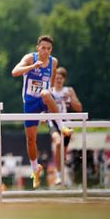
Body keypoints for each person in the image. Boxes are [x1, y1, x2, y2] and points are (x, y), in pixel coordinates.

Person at [11, 35, 71, 189]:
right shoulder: (30, 58)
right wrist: (32, 67)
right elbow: (14, 72)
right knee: (31, 140)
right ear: (38, 47)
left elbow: (50, 82)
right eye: (43, 48)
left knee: (45, 93)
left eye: (49, 49)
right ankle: (35, 170)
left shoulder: (53, 62)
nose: (45, 51)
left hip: (43, 99)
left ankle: (61, 125)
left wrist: (48, 100)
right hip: (30, 103)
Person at [50, 66, 82, 186]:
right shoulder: (49, 91)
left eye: (60, 78)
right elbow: (43, 106)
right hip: (52, 122)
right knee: (57, 143)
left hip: (66, 123)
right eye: (56, 78)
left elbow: (79, 108)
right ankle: (58, 175)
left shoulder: (68, 90)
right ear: (53, 79)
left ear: (64, 80)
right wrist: (42, 116)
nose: (58, 80)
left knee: (63, 153)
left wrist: (70, 98)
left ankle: (61, 174)